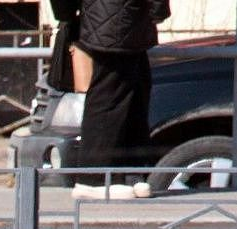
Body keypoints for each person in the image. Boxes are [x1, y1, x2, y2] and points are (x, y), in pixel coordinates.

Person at [67, 0, 167, 198]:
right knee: (110, 96)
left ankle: (129, 172)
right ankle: (93, 178)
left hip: (110, 19)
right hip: (125, 19)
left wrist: (68, 14)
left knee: (133, 92)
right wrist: (158, 11)